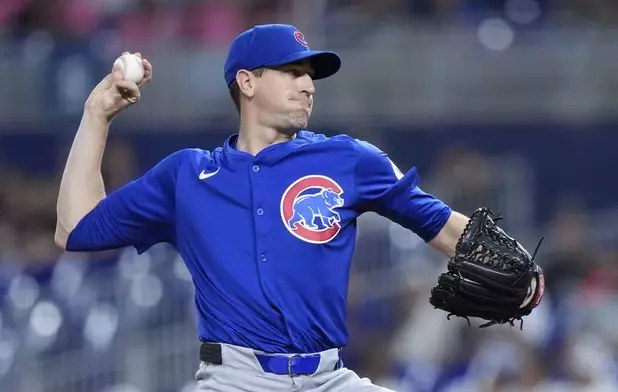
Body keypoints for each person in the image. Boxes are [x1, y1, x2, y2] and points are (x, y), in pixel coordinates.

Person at [55, 24, 471, 391]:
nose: (308, 85)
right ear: (247, 83)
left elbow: (441, 223)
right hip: (232, 381)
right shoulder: (187, 176)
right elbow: (74, 228)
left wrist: (523, 273)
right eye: (292, 72)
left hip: (328, 379)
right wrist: (97, 114)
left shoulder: (350, 160)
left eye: (311, 75)